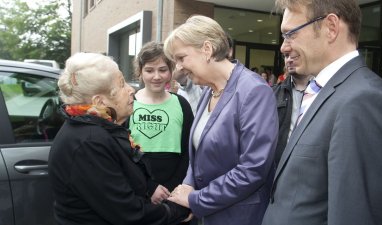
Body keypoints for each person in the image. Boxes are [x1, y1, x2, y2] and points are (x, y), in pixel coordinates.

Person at [262, 0, 382, 225]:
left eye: (290, 34)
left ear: (331, 27)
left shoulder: (364, 101)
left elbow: (356, 216)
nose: (283, 47)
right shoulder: (324, 90)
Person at [48, 52, 190, 225]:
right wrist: (176, 211)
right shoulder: (89, 142)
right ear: (99, 102)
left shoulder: (98, 129)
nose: (132, 89)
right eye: (122, 84)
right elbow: (128, 213)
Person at [163, 15, 279, 225]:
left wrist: (196, 199)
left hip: (239, 217)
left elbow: (253, 169)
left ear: (206, 49)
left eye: (181, 58)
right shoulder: (210, 90)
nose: (178, 68)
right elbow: (199, 152)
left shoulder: (254, 91)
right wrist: (189, 186)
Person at [128, 41, 194, 201]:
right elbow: (121, 153)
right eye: (149, 70)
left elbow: (188, 151)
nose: (156, 76)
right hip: (136, 190)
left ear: (171, 71)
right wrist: (148, 187)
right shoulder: (129, 103)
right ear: (140, 72)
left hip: (175, 191)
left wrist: (174, 187)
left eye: (163, 70)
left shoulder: (182, 104)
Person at [272, 55, 311, 166]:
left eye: (295, 55)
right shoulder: (273, 93)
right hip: (277, 166)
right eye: (286, 56)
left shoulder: (322, 92)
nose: (289, 59)